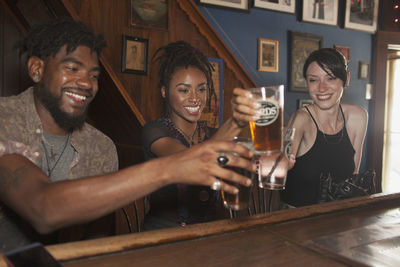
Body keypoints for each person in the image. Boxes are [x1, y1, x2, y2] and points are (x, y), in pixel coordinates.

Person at [0, 18, 256, 252]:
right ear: (36, 69)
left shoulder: (101, 147)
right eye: (72, 68)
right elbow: (43, 208)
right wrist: (169, 169)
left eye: (93, 75)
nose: (87, 83)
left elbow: (94, 240)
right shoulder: (4, 120)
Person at [141, 41, 261, 228]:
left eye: (202, 89)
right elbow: (192, 160)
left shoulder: (212, 134)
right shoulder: (154, 131)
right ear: (164, 92)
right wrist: (235, 122)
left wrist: (261, 163)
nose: (195, 97)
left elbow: (236, 170)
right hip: (163, 236)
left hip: (209, 232)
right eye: (184, 90)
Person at [280, 48, 368, 207]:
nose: (321, 88)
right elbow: (284, 160)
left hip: (337, 216)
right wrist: (276, 162)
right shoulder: (301, 119)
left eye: (330, 78)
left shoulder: (358, 117)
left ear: (346, 79)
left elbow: (351, 175)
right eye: (313, 80)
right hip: (296, 220)